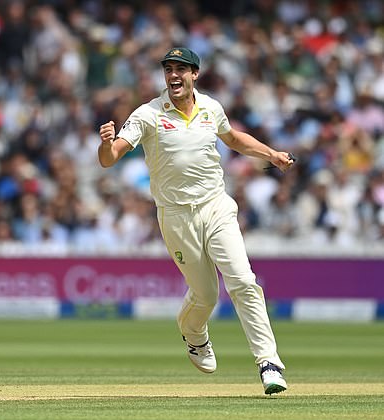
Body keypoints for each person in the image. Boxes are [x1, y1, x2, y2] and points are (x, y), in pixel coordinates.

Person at [97, 47, 294, 395]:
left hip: (216, 207)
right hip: (175, 217)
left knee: (243, 281)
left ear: (194, 74)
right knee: (205, 296)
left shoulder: (211, 108)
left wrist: (272, 154)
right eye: (168, 69)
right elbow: (111, 158)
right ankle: (193, 333)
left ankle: (269, 363)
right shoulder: (148, 114)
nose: (174, 75)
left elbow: (232, 139)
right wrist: (106, 144)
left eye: (181, 69)